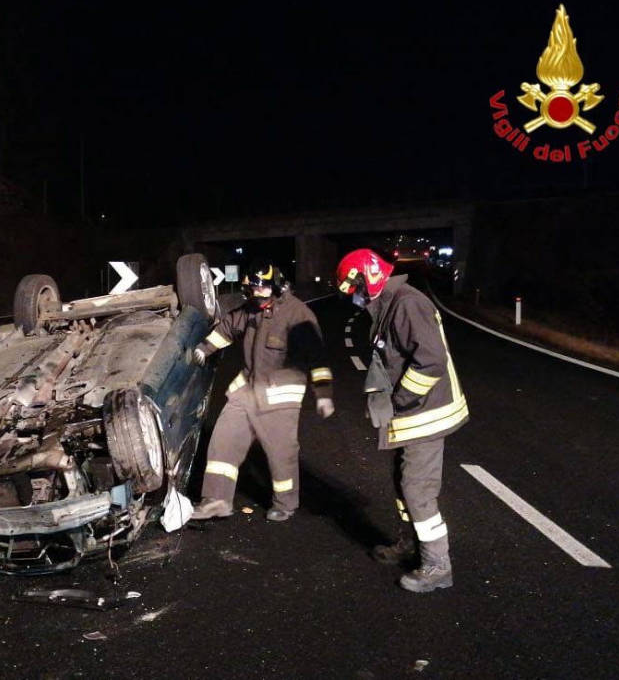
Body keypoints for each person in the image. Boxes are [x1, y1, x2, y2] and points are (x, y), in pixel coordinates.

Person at [335, 248, 469, 592]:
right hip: (411, 415)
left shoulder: (407, 304)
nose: (355, 297)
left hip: (425, 414)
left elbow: (431, 362)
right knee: (402, 484)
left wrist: (398, 400)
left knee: (417, 488)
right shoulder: (387, 307)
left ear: (371, 278)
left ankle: (438, 565)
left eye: (356, 288)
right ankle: (409, 543)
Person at [190, 261, 335, 522]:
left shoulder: (297, 315)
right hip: (247, 390)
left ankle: (285, 503)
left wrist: (323, 394)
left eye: (262, 289)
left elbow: (317, 358)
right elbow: (227, 328)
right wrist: (204, 348)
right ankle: (216, 500)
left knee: (281, 454)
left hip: (280, 396)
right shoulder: (251, 310)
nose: (256, 295)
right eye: (252, 289)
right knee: (223, 442)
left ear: (277, 287)